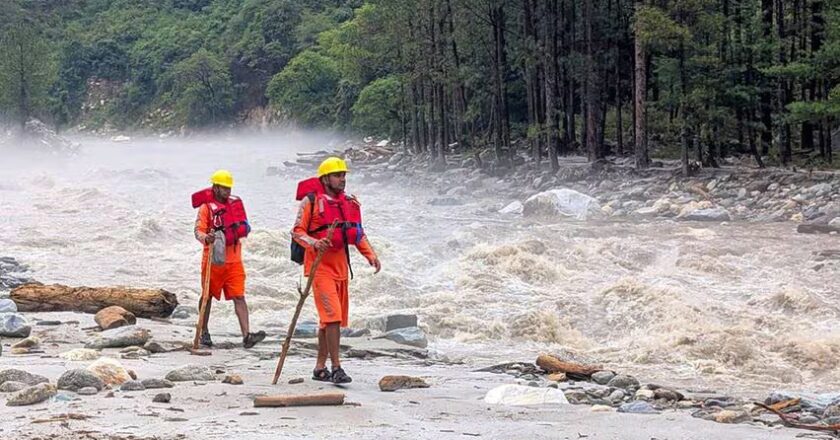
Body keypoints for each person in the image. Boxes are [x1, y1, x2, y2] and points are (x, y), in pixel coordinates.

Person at [292, 157, 381, 384]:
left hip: (340, 269)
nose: (342, 179)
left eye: (344, 175)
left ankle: (319, 367)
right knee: (332, 318)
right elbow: (297, 231)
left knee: (328, 321)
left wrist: (370, 255)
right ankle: (337, 367)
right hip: (319, 268)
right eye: (337, 175)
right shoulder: (310, 201)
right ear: (325, 178)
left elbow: (357, 233)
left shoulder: (349, 203)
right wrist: (314, 243)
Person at [193, 169, 265, 349]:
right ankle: (204, 331)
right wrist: (206, 238)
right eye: (224, 188)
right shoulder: (206, 207)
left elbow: (245, 225)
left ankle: (247, 335)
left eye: (229, 188)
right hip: (213, 260)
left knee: (239, 296)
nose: (227, 191)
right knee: (207, 296)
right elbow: (198, 231)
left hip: (234, 261)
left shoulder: (236, 204)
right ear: (215, 187)